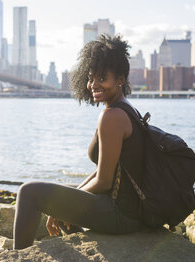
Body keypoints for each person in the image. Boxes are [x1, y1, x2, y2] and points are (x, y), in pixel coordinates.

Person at [13, 34, 144, 250]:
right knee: (60, 190)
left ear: (120, 79)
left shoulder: (112, 117)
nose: (93, 84)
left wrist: (59, 206)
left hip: (122, 214)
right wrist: (61, 205)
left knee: (29, 192)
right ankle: (82, 250)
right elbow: (107, 169)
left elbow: (104, 181)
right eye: (91, 78)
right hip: (128, 209)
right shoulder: (125, 109)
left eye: (102, 78)